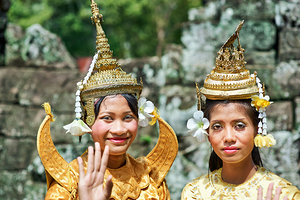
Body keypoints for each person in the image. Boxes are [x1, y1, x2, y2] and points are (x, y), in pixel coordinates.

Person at [36, 1, 178, 199]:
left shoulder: (150, 179)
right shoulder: (67, 185)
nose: (119, 129)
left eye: (128, 117)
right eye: (107, 118)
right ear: (87, 121)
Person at [181, 21, 300, 200]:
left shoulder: (283, 194)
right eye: (217, 127)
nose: (228, 137)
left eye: (239, 125)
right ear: (206, 131)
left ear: (257, 127)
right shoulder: (194, 193)